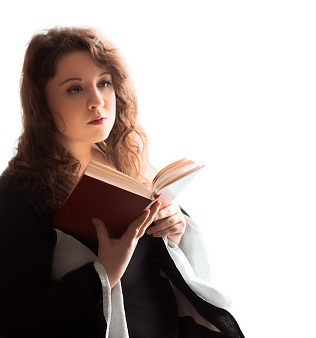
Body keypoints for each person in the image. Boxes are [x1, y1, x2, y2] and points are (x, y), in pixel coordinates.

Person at [0, 26, 244, 338]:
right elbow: (11, 326)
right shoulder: (21, 193)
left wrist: (174, 226)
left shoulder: (120, 161)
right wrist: (103, 272)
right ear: (42, 103)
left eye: (104, 83)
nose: (97, 101)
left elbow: (159, 265)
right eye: (75, 89)